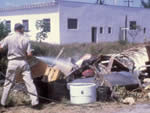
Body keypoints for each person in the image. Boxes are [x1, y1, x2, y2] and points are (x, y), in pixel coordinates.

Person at [0, 23, 39, 108]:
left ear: (15, 29)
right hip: (24, 63)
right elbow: (29, 54)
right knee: (30, 83)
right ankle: (35, 102)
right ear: (20, 29)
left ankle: (3, 103)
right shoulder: (26, 39)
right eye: (23, 28)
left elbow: (1, 47)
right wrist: (28, 56)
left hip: (12, 63)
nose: (24, 30)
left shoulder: (9, 38)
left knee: (8, 84)